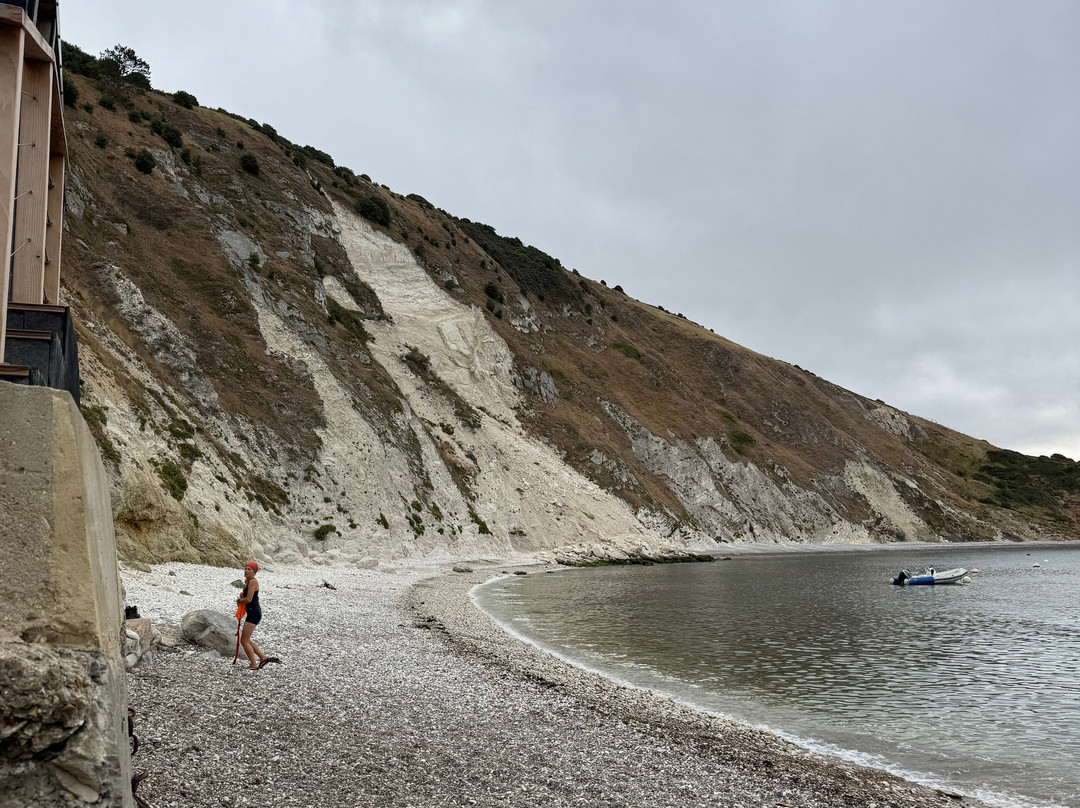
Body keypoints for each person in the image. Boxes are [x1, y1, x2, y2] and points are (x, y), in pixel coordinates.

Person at [237, 561, 268, 670]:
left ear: (254, 572)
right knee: (247, 640)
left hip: (254, 613)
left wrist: (240, 601)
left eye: (249, 569)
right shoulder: (247, 581)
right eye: (245, 568)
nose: (246, 571)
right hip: (251, 612)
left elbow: (249, 599)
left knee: (244, 641)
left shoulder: (253, 582)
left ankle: (254, 664)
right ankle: (263, 658)